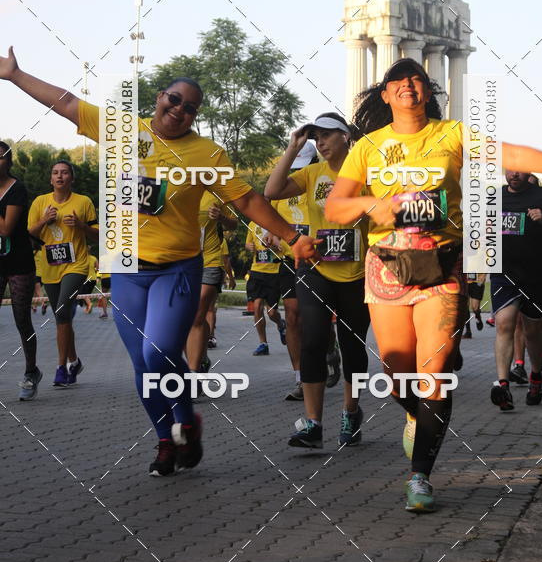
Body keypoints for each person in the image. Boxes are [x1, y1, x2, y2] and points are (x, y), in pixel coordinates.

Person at [0, 46, 317, 476]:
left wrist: (292, 236)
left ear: (195, 117)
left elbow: (246, 200)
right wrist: (15, 75)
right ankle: (169, 438)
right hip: (127, 267)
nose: (180, 110)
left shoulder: (208, 156)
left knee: (157, 356)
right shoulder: (122, 130)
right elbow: (68, 103)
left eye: (190, 108)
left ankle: (185, 421)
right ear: (159, 98)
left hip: (177, 269)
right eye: (174, 99)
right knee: (142, 366)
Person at [325, 59, 542, 513]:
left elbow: (511, 154)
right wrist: (379, 205)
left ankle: (420, 476)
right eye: (399, 82)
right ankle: (413, 414)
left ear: (427, 92)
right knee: (397, 374)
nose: (409, 86)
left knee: (433, 375)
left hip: (441, 266)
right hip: (387, 269)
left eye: (417, 80)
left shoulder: (451, 134)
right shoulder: (368, 146)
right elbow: (336, 208)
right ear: (386, 94)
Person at [266, 112, 370, 450]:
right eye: (315, 138)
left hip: (357, 274)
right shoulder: (312, 173)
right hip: (315, 269)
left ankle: (350, 412)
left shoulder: (366, 173)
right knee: (312, 342)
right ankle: (313, 423)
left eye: (326, 135)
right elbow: (272, 190)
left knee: (353, 346)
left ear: (345, 137)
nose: (320, 143)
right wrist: (293, 147)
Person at [490, 171, 542, 411]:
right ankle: (503, 385)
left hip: (535, 274)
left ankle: (536, 376)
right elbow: (478, 231)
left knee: (532, 331)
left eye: (520, 169)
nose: (514, 174)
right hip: (503, 273)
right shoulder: (493, 197)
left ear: (528, 172)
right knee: (504, 324)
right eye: (510, 169)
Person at [28, 160, 97, 387]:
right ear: (51, 179)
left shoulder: (83, 202)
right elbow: (30, 235)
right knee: (63, 317)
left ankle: (60, 368)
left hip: (76, 265)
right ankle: (74, 361)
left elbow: (97, 236)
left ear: (71, 178)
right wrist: (44, 220)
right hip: (50, 267)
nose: (60, 176)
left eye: (65, 173)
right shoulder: (40, 202)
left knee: (61, 311)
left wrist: (81, 226)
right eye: (55, 173)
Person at [269, 141, 315, 401]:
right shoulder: (282, 185)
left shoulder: (322, 179)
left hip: (321, 258)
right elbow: (271, 221)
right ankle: (300, 378)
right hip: (290, 259)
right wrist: (273, 236)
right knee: (293, 315)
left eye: (303, 167)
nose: (297, 173)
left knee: (317, 320)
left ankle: (328, 347)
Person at [0, 140, 41, 400]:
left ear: (9, 161)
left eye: (0, 157)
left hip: (17, 262)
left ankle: (30, 372)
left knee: (21, 319)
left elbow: (5, 229)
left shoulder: (17, 189)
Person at [185, 193, 237, 381]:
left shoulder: (217, 193)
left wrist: (222, 218)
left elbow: (234, 224)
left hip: (210, 261)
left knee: (198, 313)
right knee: (186, 320)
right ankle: (201, 356)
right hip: (181, 262)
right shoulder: (173, 188)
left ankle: (193, 374)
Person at [245, 216, 287, 355]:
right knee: (257, 307)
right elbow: (248, 244)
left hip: (274, 272)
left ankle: (281, 324)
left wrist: (275, 245)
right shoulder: (252, 223)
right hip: (257, 271)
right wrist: (249, 246)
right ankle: (263, 343)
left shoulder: (276, 222)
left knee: (271, 312)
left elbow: (283, 245)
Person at [206, 235, 236, 349]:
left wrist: (231, 278)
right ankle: (209, 336)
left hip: (212, 271)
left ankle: (210, 336)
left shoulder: (220, 238)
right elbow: (226, 261)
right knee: (209, 308)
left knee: (208, 308)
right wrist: (231, 279)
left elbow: (225, 260)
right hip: (209, 271)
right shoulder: (220, 238)